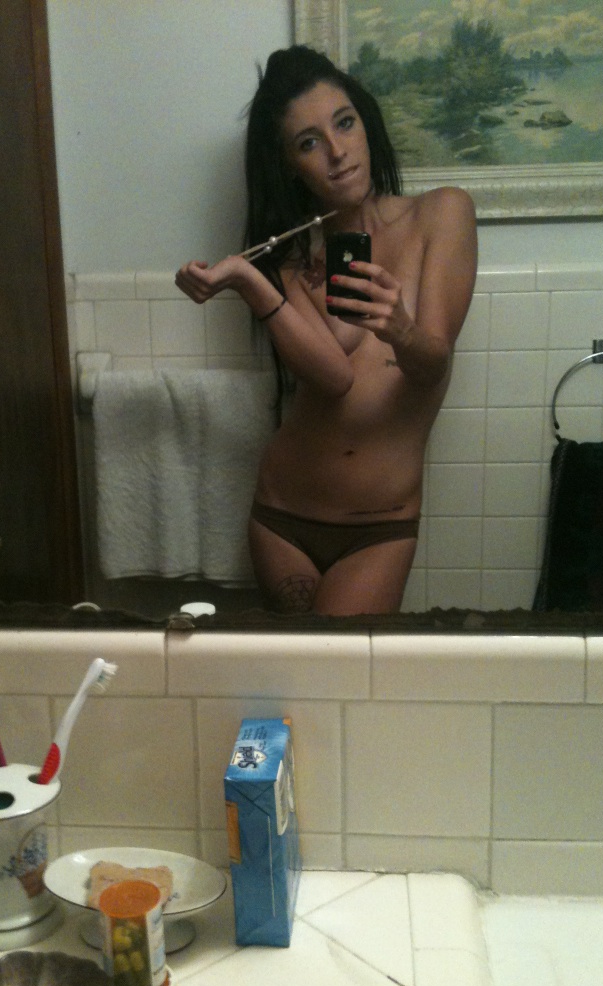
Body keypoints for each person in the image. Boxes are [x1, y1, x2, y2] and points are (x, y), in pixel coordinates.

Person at [176, 45, 477, 615]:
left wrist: (400, 330)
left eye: (344, 123)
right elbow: (334, 378)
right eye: (309, 142)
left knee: (338, 670)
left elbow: (432, 364)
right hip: (281, 519)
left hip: (378, 527)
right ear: (290, 164)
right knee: (295, 673)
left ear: (366, 123)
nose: (338, 152)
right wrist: (249, 280)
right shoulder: (292, 257)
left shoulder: (441, 215)